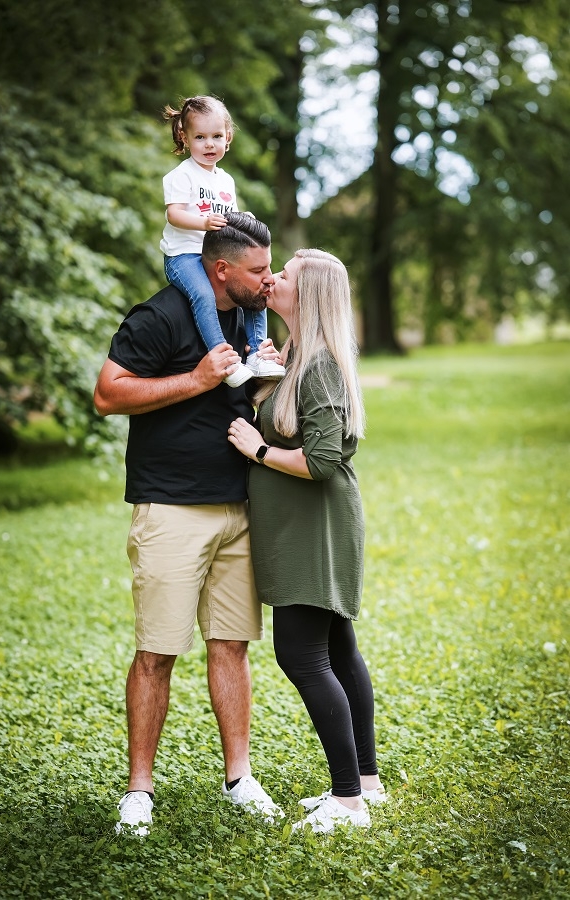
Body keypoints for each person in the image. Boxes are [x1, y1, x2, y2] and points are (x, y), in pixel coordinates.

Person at [94, 212, 284, 836]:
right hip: (171, 508)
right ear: (220, 269)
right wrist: (197, 379)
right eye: (258, 270)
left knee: (231, 645)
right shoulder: (161, 315)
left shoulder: (250, 318)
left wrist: (264, 377)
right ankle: (139, 790)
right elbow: (108, 394)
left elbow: (243, 400)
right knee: (157, 653)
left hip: (240, 506)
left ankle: (239, 778)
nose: (268, 280)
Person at [227, 249, 388, 834]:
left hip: (315, 529)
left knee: (302, 655)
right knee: (339, 649)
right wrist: (263, 383)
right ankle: (365, 782)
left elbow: (321, 461)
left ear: (310, 294)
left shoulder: (318, 364)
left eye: (285, 276)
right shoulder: (298, 356)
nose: (272, 279)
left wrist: (258, 450)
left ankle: (347, 803)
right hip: (307, 525)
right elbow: (294, 423)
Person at [160, 95, 285, 388]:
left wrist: (244, 218)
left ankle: (257, 353)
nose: (209, 144)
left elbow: (230, 217)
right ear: (185, 137)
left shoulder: (225, 180)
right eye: (200, 137)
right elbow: (174, 215)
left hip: (219, 255)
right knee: (204, 295)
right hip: (184, 255)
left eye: (216, 136)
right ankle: (225, 360)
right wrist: (203, 223)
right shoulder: (182, 175)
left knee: (255, 288)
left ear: (228, 137)